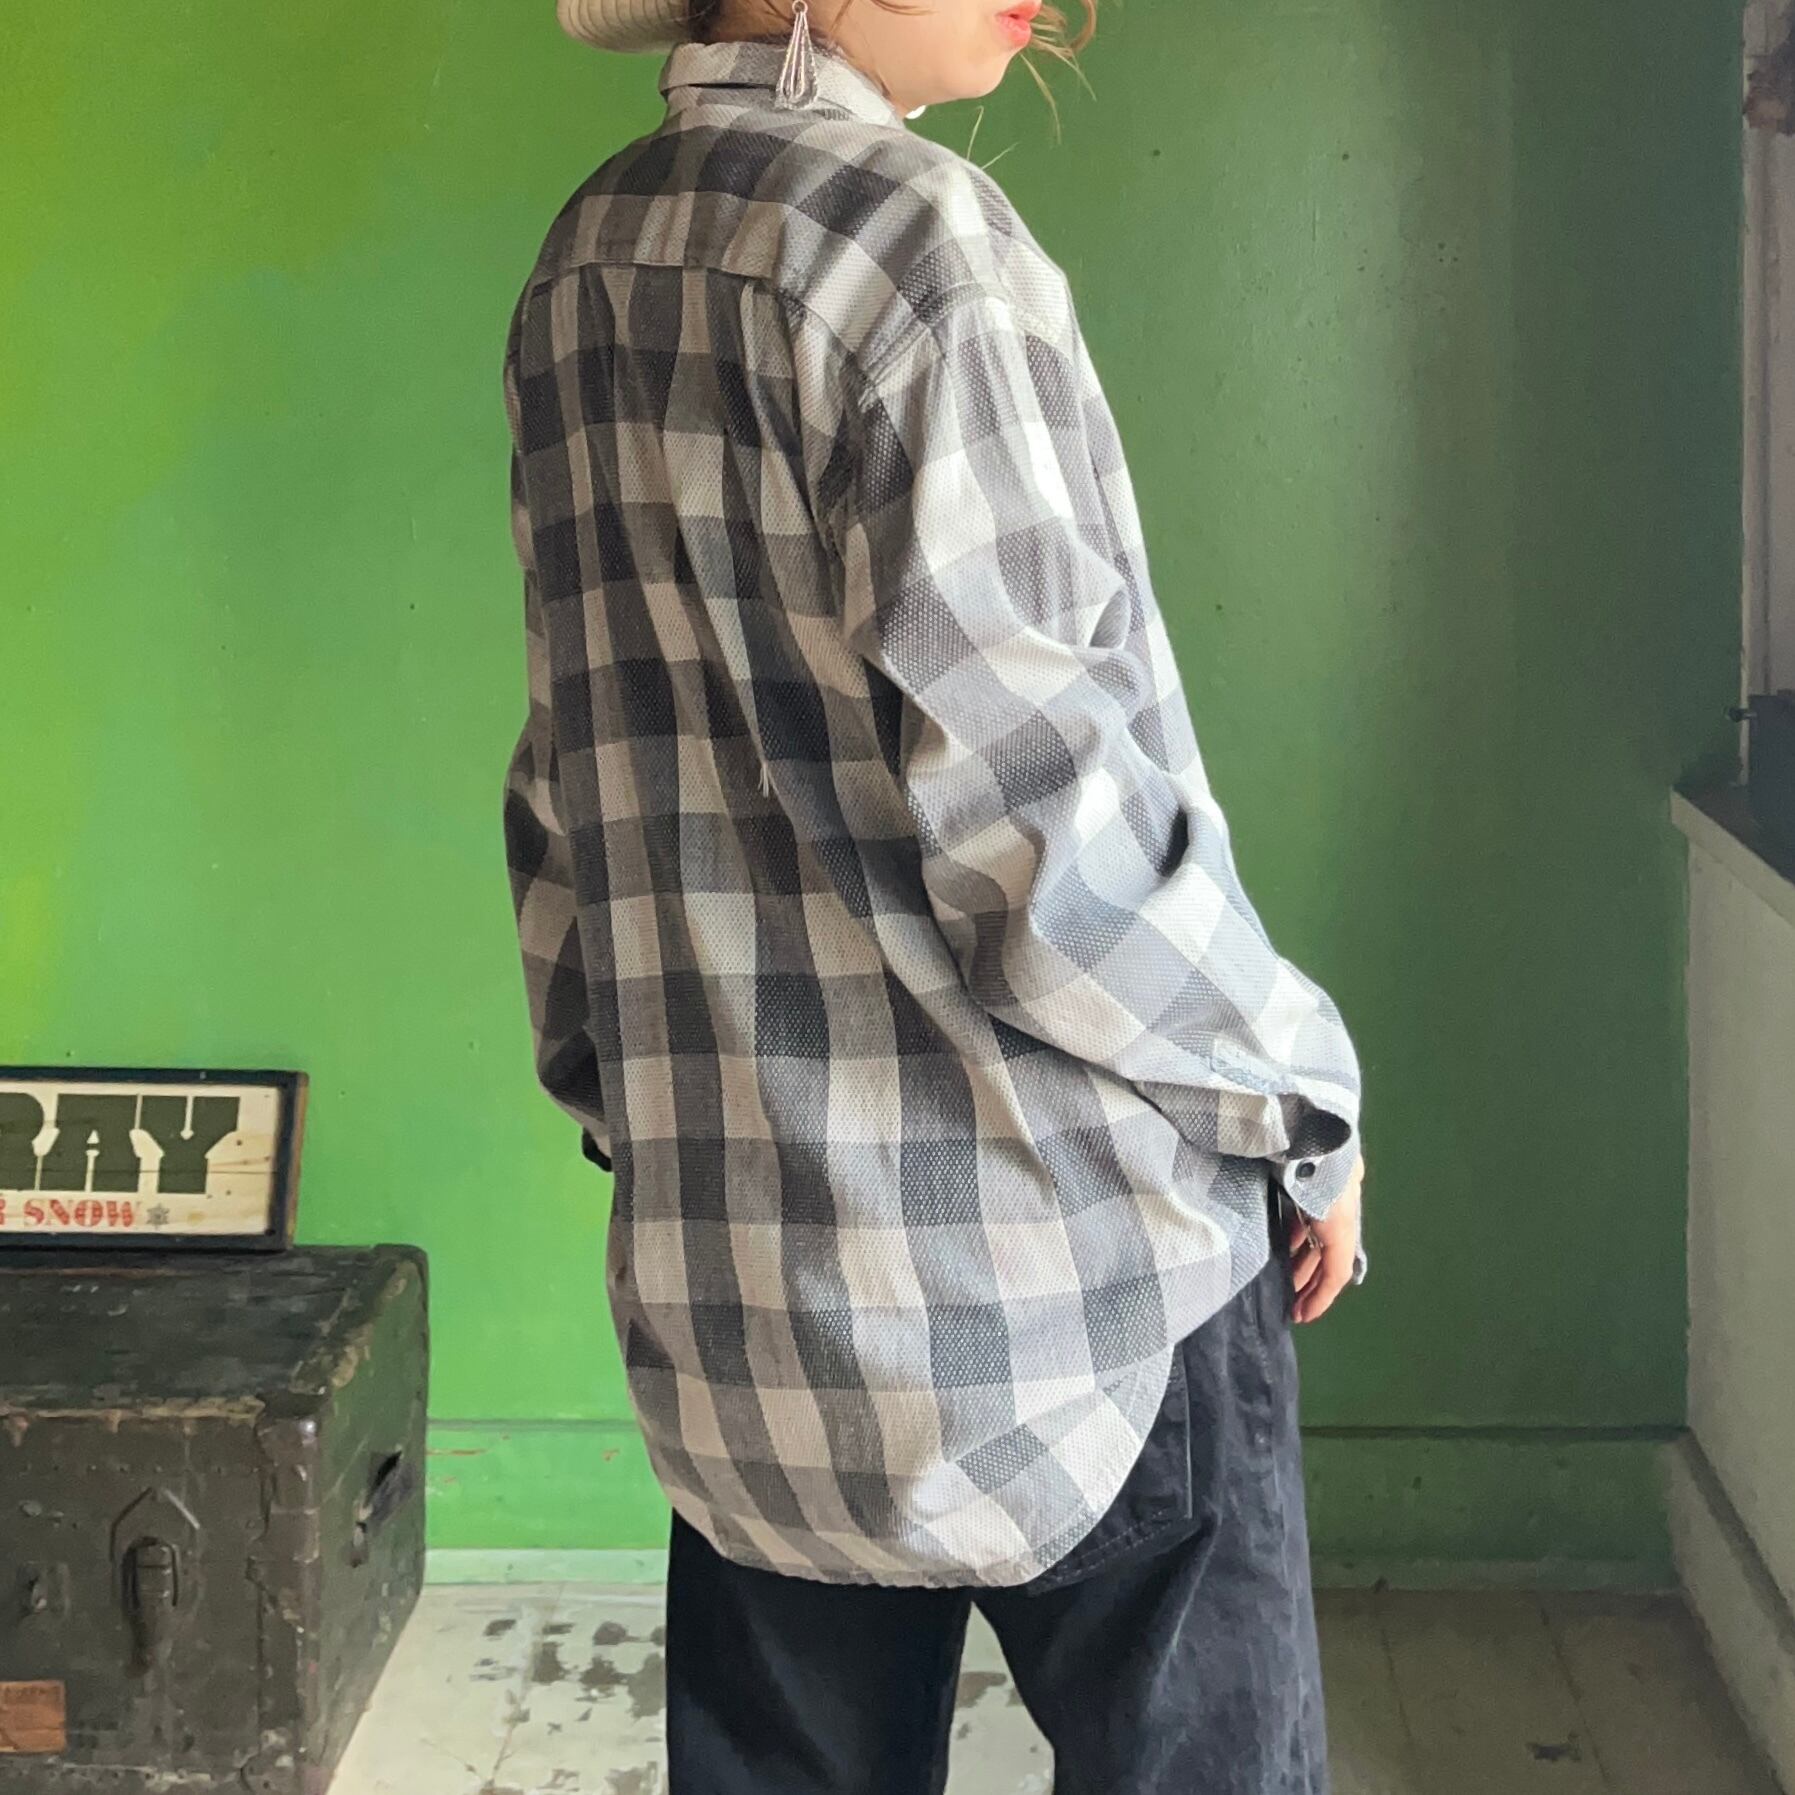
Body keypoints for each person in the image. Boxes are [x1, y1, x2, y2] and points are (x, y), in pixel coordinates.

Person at [501, 0, 1370, 1787]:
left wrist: (645, 1118)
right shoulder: (921, 245)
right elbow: (1043, 825)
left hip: (747, 1300)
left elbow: (572, 775)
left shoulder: (585, 260)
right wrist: (1298, 1096)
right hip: (1071, 1282)